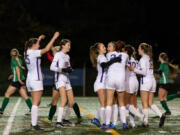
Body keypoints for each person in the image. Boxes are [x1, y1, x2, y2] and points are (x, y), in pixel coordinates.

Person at [25, 32, 60, 130]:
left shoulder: (27, 51)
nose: (39, 45)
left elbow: (33, 46)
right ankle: (34, 124)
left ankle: (33, 122)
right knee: (36, 103)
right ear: (34, 45)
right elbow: (47, 49)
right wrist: (54, 37)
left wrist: (38, 39)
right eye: (38, 44)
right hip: (36, 80)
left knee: (36, 102)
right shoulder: (33, 52)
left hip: (30, 79)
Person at [42, 46, 82, 125]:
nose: (53, 53)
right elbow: (52, 61)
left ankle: (57, 119)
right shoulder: (57, 57)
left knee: (68, 101)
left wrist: (69, 68)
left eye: (54, 52)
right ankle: (55, 119)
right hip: (58, 81)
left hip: (62, 80)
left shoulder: (63, 57)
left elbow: (52, 59)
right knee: (57, 101)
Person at [129, 43, 166, 128]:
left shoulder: (143, 59)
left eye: (139, 48)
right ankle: (161, 115)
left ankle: (145, 122)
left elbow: (144, 72)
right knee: (150, 103)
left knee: (144, 103)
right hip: (152, 81)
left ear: (142, 49)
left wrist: (133, 69)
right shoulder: (149, 58)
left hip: (146, 81)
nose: (138, 49)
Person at [102, 41, 128, 129]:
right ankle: (124, 123)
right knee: (121, 103)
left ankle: (107, 124)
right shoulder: (125, 55)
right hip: (121, 78)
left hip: (111, 78)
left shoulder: (108, 55)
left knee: (109, 102)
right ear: (123, 48)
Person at [0, 49, 32, 115]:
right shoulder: (19, 60)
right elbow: (19, 70)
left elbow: (17, 70)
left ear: (11, 54)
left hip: (16, 81)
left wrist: (19, 80)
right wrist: (12, 75)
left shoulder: (13, 60)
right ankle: (32, 109)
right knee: (25, 96)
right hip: (21, 79)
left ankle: (1, 110)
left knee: (7, 94)